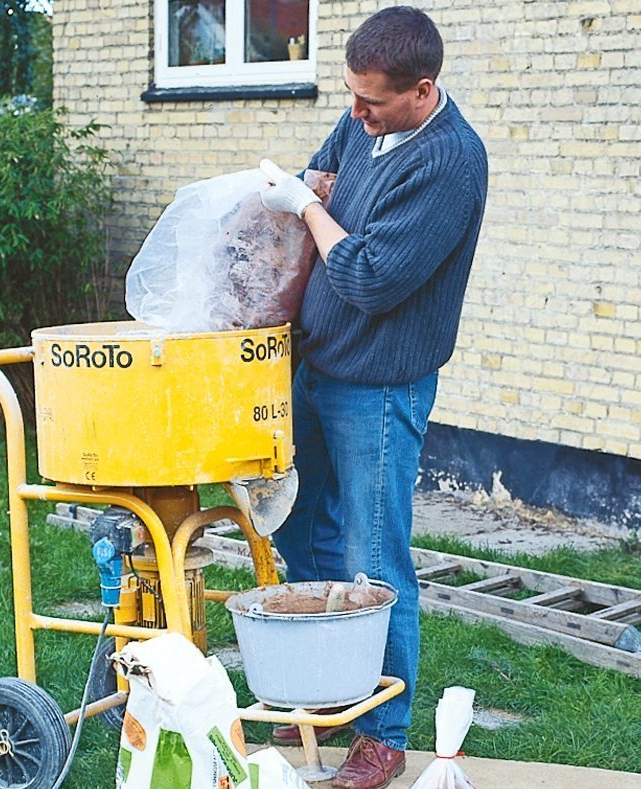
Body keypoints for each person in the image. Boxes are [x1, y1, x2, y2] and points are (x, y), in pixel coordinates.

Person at [258, 7, 488, 789]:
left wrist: (316, 209)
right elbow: (312, 172)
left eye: (372, 102)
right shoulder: (363, 119)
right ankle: (326, 695)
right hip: (315, 370)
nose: (354, 116)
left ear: (422, 92)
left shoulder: (452, 161)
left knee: (373, 557)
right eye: (350, 96)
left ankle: (382, 734)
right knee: (300, 535)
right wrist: (313, 199)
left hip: (379, 387)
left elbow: (365, 276)